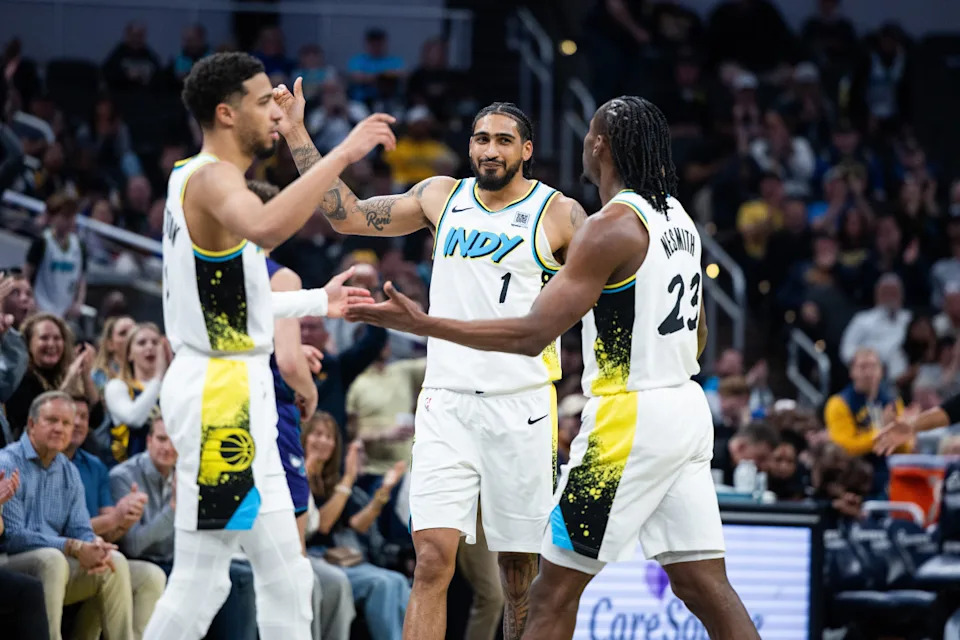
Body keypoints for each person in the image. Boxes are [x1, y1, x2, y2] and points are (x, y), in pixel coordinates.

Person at [347, 96, 760, 640]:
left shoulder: (607, 225)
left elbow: (530, 334)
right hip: (685, 409)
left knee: (547, 593)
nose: (585, 142)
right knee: (705, 586)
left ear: (600, 146)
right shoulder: (676, 217)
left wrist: (425, 325)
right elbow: (701, 332)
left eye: (590, 133)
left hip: (627, 418)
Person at [273, 76, 589, 640]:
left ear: (526, 150)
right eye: (480, 138)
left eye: (502, 140)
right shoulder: (441, 196)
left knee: (518, 573)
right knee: (431, 561)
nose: (489, 149)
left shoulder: (561, 213)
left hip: (522, 406)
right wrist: (297, 130)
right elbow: (346, 214)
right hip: (446, 402)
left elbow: (600, 290)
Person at [142, 51, 392, 640]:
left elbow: (223, 309)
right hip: (219, 397)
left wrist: (313, 302)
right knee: (202, 581)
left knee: (289, 579)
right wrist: (344, 153)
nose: (276, 110)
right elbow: (269, 227)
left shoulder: (191, 177)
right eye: (262, 101)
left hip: (237, 386)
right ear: (226, 114)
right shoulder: (211, 179)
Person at [0, 391, 134, 640]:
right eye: (51, 420)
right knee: (53, 559)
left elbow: (80, 528)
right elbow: (13, 537)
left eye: (66, 423)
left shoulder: (68, 471)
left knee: (113, 562)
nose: (59, 429)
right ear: (31, 424)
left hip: (54, 563)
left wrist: (94, 545)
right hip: (10, 562)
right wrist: (71, 546)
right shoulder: (7, 463)